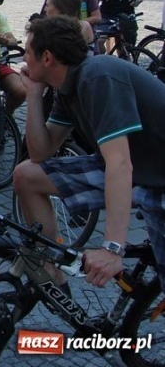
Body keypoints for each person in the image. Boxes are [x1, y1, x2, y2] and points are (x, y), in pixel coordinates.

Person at [13, 15, 165, 293]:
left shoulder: (97, 75)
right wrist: (34, 96)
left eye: (27, 52)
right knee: (26, 175)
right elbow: (40, 153)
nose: (23, 59)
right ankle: (50, 271)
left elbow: (119, 164)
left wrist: (112, 248)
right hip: (140, 171)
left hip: (155, 177)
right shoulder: (67, 86)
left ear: (46, 58)